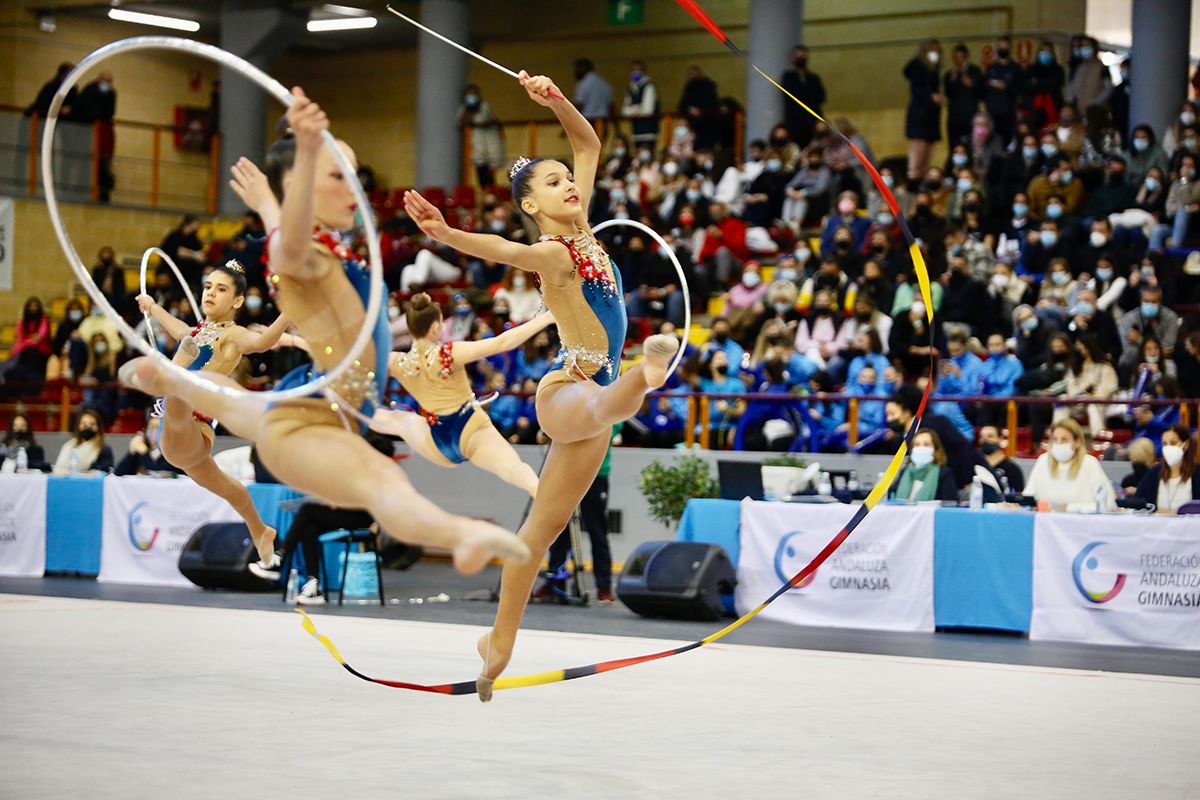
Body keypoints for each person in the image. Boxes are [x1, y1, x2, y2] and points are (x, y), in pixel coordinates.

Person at [120, 87, 529, 581]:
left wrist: (282, 191)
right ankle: (175, 382)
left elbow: (284, 233)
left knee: (383, 481)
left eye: (353, 175)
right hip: (315, 409)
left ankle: (460, 534)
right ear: (304, 188)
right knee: (252, 412)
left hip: (343, 406)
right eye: (338, 176)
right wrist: (305, 157)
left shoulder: (326, 246)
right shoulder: (302, 256)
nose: (353, 189)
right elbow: (286, 245)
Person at [401, 72, 679, 700]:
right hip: (566, 390)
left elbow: (589, 144)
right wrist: (446, 235)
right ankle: (646, 370)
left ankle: (497, 645)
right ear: (533, 206)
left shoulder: (585, 233)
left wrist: (554, 99)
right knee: (607, 400)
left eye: (569, 178)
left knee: (535, 539)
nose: (570, 183)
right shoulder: (554, 252)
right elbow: (501, 249)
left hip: (593, 415)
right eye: (553, 183)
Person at [135, 257, 294, 564]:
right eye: (208, 287)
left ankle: (163, 378)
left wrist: (289, 312)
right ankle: (260, 530)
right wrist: (152, 307)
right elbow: (180, 328)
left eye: (221, 289)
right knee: (227, 488)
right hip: (179, 439)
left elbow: (261, 342)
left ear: (237, 300)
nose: (210, 293)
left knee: (179, 382)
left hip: (191, 427)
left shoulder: (232, 335)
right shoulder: (199, 331)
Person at [370, 294, 552, 497]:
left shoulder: (396, 361)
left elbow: (362, 362)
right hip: (470, 429)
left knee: (396, 420)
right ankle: (538, 490)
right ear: (435, 328)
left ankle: (342, 407)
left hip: (437, 442)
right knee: (512, 469)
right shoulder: (448, 354)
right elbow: (503, 343)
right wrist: (547, 317)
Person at [536, 424, 621, 603]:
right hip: (567, 470)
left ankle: (604, 587)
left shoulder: (607, 399)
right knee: (560, 527)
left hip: (596, 473)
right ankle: (554, 581)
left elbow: (611, 427)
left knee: (597, 530)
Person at [881, 384, 986, 488]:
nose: (888, 419)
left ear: (907, 411)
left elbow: (962, 448)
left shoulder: (935, 423)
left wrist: (968, 481)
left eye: (892, 414)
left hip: (972, 481)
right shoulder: (906, 435)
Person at [1024, 419, 1116, 511]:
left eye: (1064, 439)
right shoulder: (1043, 460)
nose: (1059, 444)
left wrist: (1069, 508)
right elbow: (1028, 497)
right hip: (1047, 521)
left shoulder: (1089, 463)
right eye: (1055, 439)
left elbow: (1108, 504)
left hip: (1083, 522)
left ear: (1077, 442)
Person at [903, 40, 944, 184]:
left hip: (931, 118)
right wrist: (931, 96)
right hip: (919, 117)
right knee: (916, 160)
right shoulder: (917, 67)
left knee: (927, 158)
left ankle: (922, 187)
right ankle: (913, 185)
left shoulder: (935, 69)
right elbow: (917, 89)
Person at [1135, 425, 1199, 513]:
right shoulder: (1154, 473)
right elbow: (1138, 502)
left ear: (1186, 445)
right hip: (1157, 525)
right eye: (1165, 443)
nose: (1168, 447)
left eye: (1173, 443)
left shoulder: (1198, 473)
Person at [76, 70, 117, 202]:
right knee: (88, 165)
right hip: (89, 130)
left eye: (109, 81)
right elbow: (85, 108)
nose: (107, 84)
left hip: (102, 135)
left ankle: (102, 195)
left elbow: (110, 112)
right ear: (99, 79)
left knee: (102, 166)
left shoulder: (111, 93)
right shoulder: (89, 90)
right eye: (105, 80)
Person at [889, 429, 959, 501]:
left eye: (926, 444)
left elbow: (950, 503)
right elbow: (890, 496)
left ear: (935, 449)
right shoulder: (905, 471)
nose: (921, 448)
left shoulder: (944, 473)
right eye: (917, 444)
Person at [456, 84, 504, 187]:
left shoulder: (484, 106)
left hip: (490, 144)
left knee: (490, 177)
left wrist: (471, 119)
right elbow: (460, 121)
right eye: (469, 94)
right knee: (480, 174)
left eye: (473, 94)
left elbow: (482, 120)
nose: (471, 97)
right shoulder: (465, 108)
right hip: (477, 146)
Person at [780, 45, 826, 147]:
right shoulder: (788, 76)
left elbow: (821, 96)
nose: (801, 58)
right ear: (793, 57)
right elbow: (790, 95)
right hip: (795, 120)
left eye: (803, 55)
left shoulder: (813, 78)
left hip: (812, 119)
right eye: (798, 55)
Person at [3, 297, 52, 385]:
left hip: (41, 351)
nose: (33, 308)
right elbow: (20, 339)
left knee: (30, 354)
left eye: (35, 306)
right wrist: (28, 341)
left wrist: (27, 341)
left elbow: (39, 338)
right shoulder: (21, 323)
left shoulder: (44, 321)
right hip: (25, 351)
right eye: (30, 306)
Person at [943, 43, 983, 148]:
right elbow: (947, 94)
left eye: (960, 58)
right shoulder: (949, 74)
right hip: (954, 117)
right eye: (955, 58)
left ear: (966, 57)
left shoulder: (975, 71)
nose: (958, 61)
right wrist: (951, 79)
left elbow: (981, 92)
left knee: (972, 146)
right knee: (954, 146)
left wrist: (971, 85)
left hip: (970, 115)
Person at [52, 408, 113, 475]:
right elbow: (59, 469)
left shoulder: (104, 449)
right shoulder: (69, 446)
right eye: (83, 424)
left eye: (92, 424)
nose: (87, 427)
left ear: (98, 427)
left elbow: (107, 472)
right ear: (78, 426)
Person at [114, 415, 180, 477]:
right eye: (150, 427)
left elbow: (157, 474)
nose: (153, 432)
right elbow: (119, 473)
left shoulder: (172, 454)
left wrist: (144, 453)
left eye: (157, 428)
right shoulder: (141, 448)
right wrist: (131, 453)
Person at [620, 59, 659, 150]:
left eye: (638, 70)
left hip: (649, 131)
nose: (635, 73)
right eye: (633, 70)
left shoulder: (649, 86)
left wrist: (632, 108)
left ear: (644, 71)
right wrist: (638, 107)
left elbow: (647, 111)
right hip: (636, 131)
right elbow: (625, 111)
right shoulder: (631, 88)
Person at [159, 214, 206, 289]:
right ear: (188, 223)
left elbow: (201, 254)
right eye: (196, 224)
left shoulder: (195, 239)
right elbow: (178, 251)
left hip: (189, 269)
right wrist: (195, 254)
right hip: (171, 266)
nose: (198, 226)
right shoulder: (174, 236)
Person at [977, 425, 1024, 494]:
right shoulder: (976, 466)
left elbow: (1018, 497)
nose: (985, 440)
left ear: (1000, 438)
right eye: (981, 437)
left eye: (990, 436)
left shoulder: (1012, 469)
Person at [573, 58, 613, 124]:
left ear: (584, 68)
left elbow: (578, 105)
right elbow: (611, 106)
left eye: (577, 68)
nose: (576, 72)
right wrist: (617, 129)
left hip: (588, 122)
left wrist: (570, 123)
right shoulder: (604, 83)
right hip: (603, 121)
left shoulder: (583, 84)